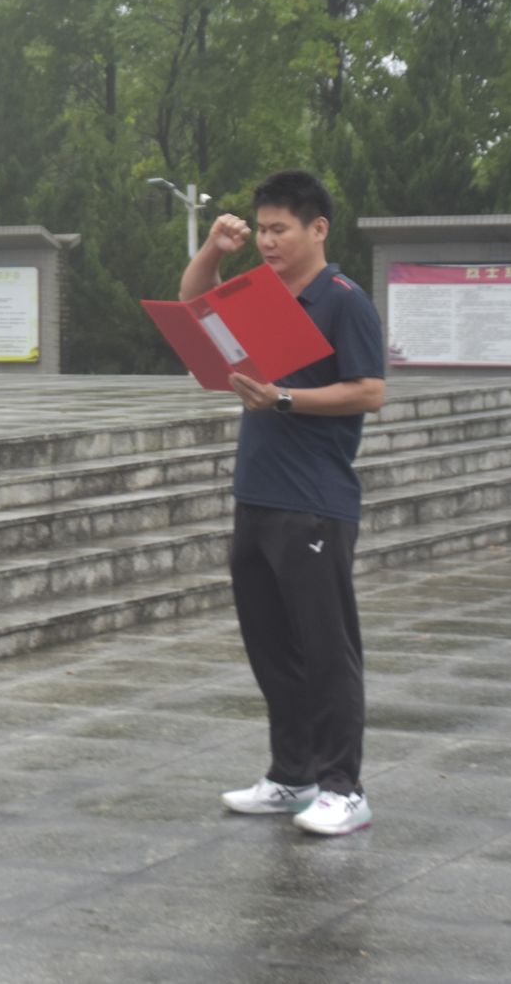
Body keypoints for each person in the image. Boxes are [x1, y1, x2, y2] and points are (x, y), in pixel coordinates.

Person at [181, 169, 386, 837]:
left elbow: (369, 391)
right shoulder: (262, 294)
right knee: (271, 647)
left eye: (280, 229)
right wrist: (213, 249)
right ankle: (292, 774)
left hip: (314, 501)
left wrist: (285, 398)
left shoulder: (343, 300)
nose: (267, 241)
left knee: (326, 649)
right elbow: (194, 305)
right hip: (258, 494)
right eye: (262, 229)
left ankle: (344, 788)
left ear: (317, 229)